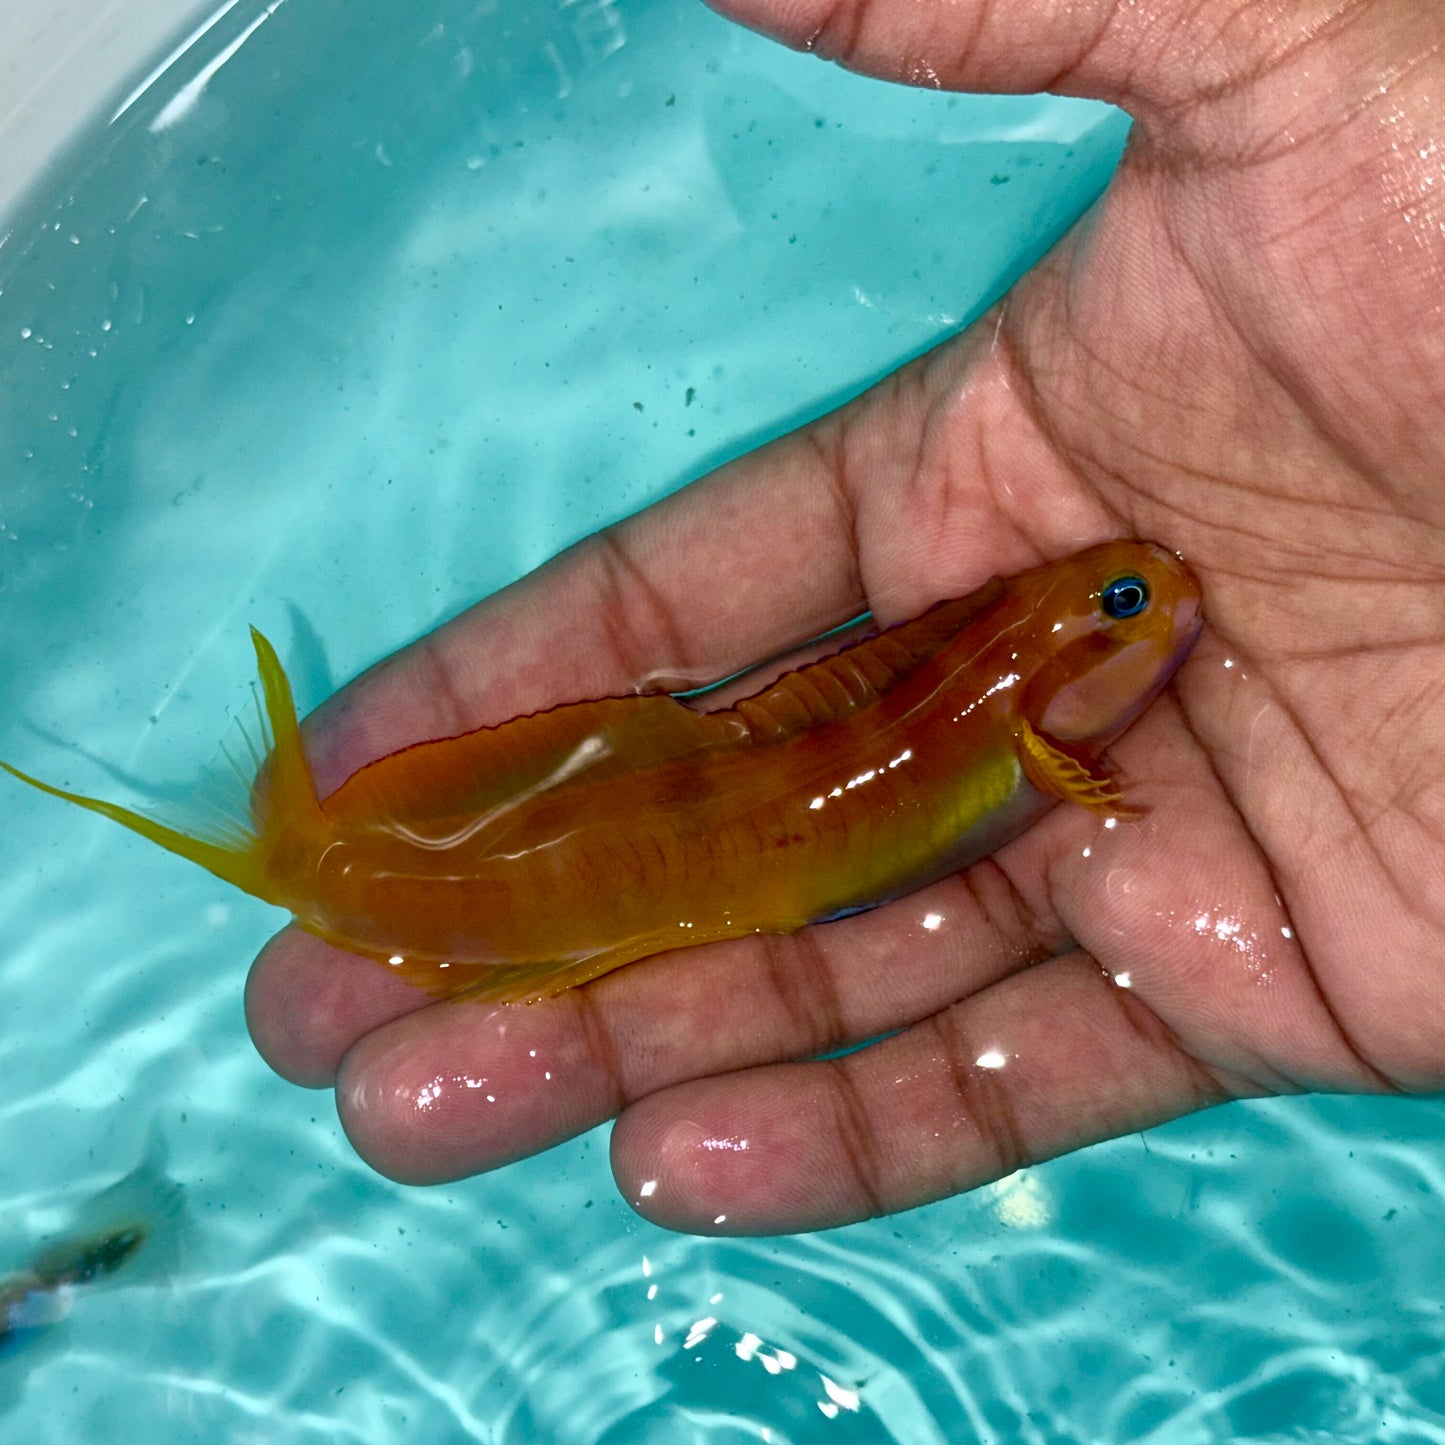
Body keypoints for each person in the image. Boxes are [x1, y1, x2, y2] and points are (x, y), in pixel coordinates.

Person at [244, 0, 1445, 1233]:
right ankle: (325, 858)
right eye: (1122, 604)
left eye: (1123, 600)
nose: (1152, 600)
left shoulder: (1020, 705)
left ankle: (318, 854)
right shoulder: (1028, 717)